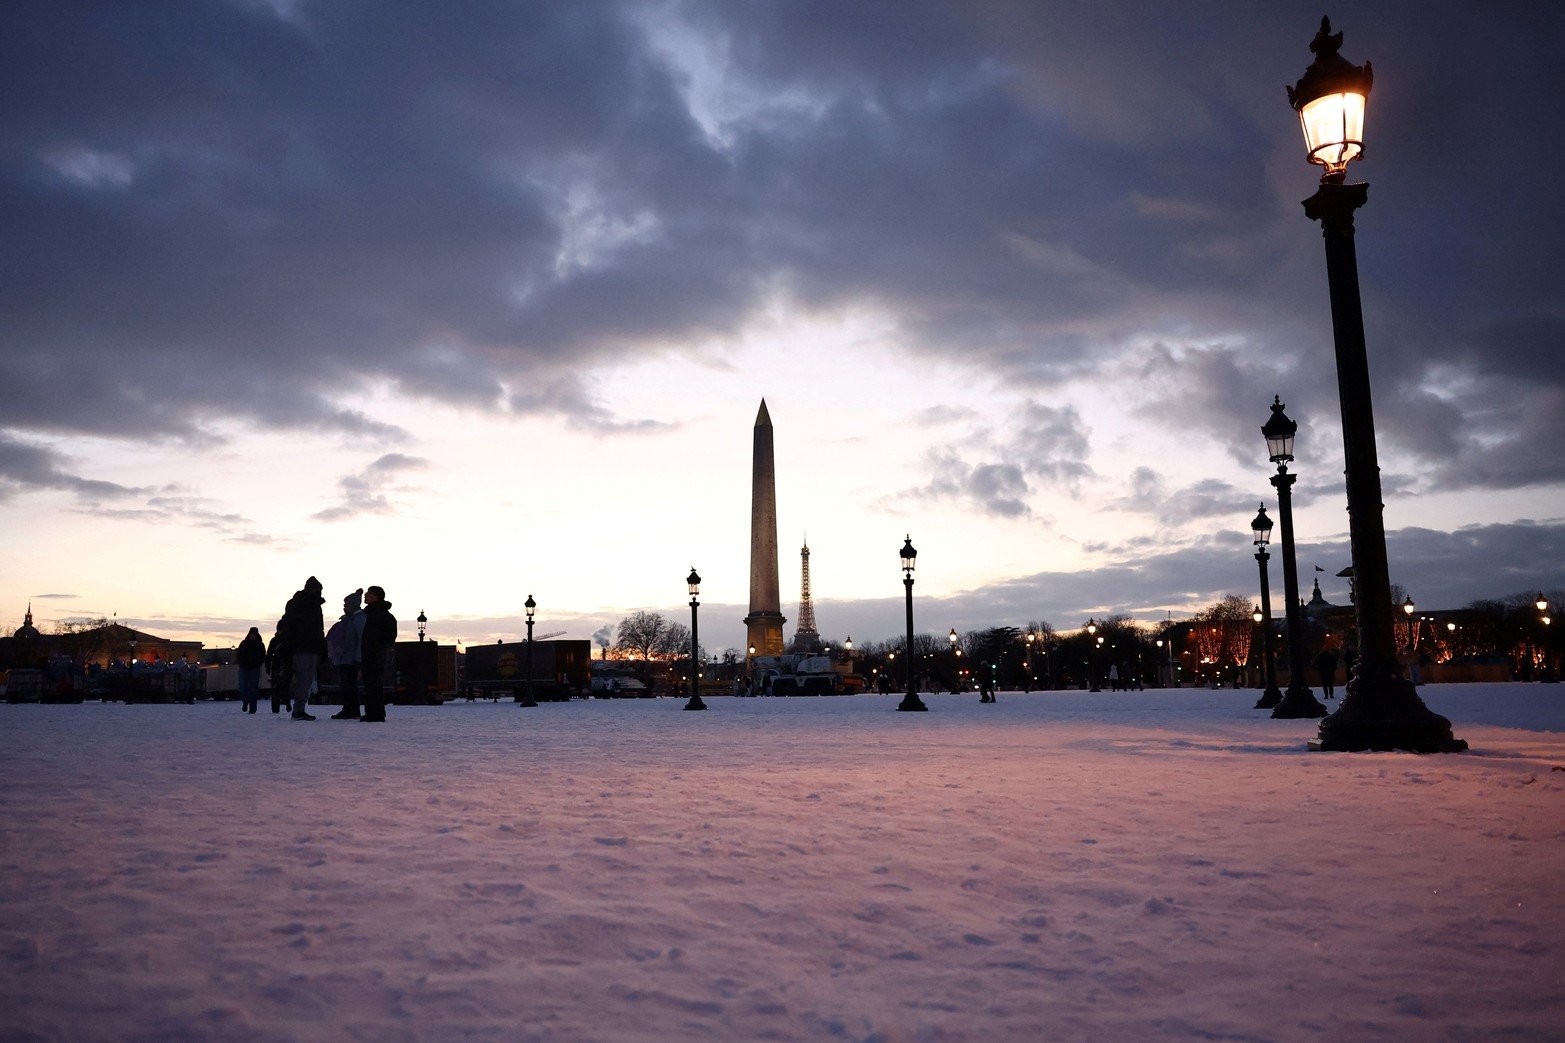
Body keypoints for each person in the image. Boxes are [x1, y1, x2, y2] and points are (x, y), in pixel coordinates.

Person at [281, 576, 327, 721]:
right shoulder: (310, 605)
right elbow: (318, 629)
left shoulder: (296, 603)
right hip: (305, 647)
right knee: (304, 679)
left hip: (302, 647)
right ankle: (298, 709)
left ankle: (298, 708)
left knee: (302, 679)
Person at [359, 585, 397, 723]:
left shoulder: (375, 615)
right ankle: (374, 712)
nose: (365, 595)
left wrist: (378, 646)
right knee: (372, 683)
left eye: (368, 593)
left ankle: (375, 713)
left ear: (376, 596)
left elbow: (388, 637)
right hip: (372, 652)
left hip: (374, 653)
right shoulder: (378, 615)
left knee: (373, 683)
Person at [327, 589, 366, 720]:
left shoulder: (358, 619)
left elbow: (361, 640)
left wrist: (358, 659)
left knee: (350, 686)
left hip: (351, 659)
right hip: (344, 658)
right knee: (345, 685)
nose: (344, 607)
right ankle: (348, 708)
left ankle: (351, 709)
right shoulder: (350, 619)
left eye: (347, 605)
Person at [236, 626, 266, 714]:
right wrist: (241, 662)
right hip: (244, 668)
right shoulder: (243, 643)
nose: (253, 636)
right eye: (252, 634)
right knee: (242, 688)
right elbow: (238, 654)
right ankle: (245, 702)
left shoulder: (260, 645)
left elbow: (263, 656)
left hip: (254, 669)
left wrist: (258, 664)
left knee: (253, 689)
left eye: (254, 634)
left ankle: (253, 708)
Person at [265, 619, 291, 714]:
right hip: (285, 666)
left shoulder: (275, 640)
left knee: (276, 687)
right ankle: (286, 703)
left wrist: (268, 666)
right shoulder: (289, 640)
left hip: (277, 666)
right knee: (285, 686)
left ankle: (277, 707)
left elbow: (269, 654)